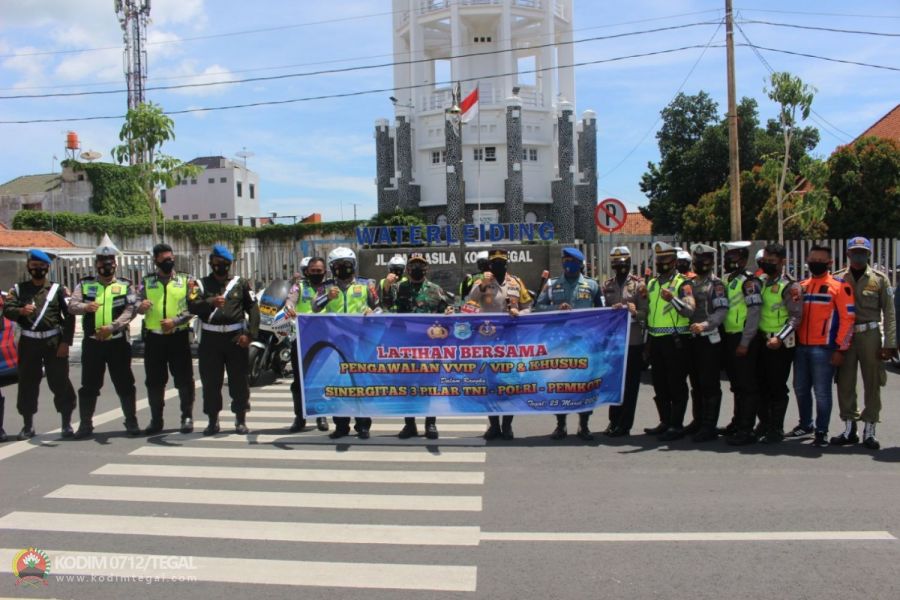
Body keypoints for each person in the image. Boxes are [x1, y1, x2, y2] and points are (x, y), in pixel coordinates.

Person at [67, 234, 141, 439]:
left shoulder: (126, 285)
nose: (105, 266)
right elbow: (72, 306)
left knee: (125, 383)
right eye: (101, 262)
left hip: (117, 342)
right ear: (96, 264)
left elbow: (131, 309)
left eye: (109, 263)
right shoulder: (85, 284)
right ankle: (85, 424)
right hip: (93, 345)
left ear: (115, 264)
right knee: (89, 385)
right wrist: (85, 306)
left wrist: (113, 327)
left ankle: (131, 421)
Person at [3, 249, 76, 440]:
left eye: (42, 266)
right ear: (28, 267)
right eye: (34, 266)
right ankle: (28, 425)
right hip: (29, 342)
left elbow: (69, 317)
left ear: (47, 268)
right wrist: (20, 310)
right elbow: (7, 311)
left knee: (60, 382)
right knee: (27, 383)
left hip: (53, 341)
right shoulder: (18, 289)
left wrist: (65, 342)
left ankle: (66, 423)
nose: (38, 269)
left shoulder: (58, 289)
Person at [534, 247, 605, 441]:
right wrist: (557, 307)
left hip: (584, 343)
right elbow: (537, 308)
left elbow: (602, 312)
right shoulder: (553, 285)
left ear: (580, 264)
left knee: (584, 385)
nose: (567, 264)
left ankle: (584, 425)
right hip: (560, 344)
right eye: (565, 260)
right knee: (561, 384)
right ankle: (561, 425)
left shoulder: (592, 285)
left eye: (571, 261)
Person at [188, 244, 260, 436]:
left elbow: (253, 309)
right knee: (211, 382)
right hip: (210, 339)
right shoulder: (200, 284)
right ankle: (213, 420)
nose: (221, 266)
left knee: (239, 380)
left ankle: (240, 419)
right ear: (211, 263)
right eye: (217, 263)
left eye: (225, 263)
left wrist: (250, 335)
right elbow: (192, 307)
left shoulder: (240, 283)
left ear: (230, 264)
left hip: (236, 338)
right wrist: (210, 302)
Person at [834, 237, 897, 450]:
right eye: (854, 252)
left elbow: (889, 312)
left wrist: (890, 342)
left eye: (862, 252)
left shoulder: (880, 279)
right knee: (845, 381)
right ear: (848, 254)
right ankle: (849, 427)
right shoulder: (839, 278)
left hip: (869, 334)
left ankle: (870, 429)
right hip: (846, 335)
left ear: (869, 254)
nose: (858, 255)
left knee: (873, 381)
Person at [383, 251, 454, 440]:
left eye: (420, 264)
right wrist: (387, 285)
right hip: (406, 347)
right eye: (413, 264)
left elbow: (447, 310)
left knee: (429, 386)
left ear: (426, 268)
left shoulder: (435, 289)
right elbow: (387, 306)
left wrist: (448, 312)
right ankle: (410, 424)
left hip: (429, 347)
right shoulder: (399, 288)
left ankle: (430, 424)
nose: (417, 268)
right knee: (406, 386)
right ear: (407, 268)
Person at [790, 245, 855, 447]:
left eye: (820, 259)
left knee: (822, 392)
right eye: (812, 259)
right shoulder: (801, 286)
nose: (815, 262)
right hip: (800, 347)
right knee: (800, 388)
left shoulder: (840, 286)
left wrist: (840, 349)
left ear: (830, 263)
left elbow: (848, 319)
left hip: (824, 348)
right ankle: (805, 424)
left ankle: (821, 430)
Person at [466, 248, 533, 440]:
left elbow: (528, 305)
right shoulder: (483, 282)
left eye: (500, 263)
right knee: (490, 385)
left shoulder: (516, 282)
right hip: (487, 342)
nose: (497, 266)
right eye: (493, 263)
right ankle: (494, 425)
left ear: (506, 264)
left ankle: (507, 425)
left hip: (510, 343)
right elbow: (469, 301)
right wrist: (482, 285)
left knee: (510, 385)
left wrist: (520, 313)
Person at [315, 246, 381, 439]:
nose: (343, 268)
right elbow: (315, 308)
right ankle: (341, 425)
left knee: (360, 384)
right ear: (332, 267)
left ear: (354, 265)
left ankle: (363, 425)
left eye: (347, 265)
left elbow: (379, 309)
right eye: (338, 265)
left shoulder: (366, 284)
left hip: (360, 342)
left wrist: (372, 313)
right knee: (337, 384)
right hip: (334, 343)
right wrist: (328, 296)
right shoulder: (325, 287)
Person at [137, 243, 196, 435]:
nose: (169, 263)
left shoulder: (185, 280)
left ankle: (186, 417)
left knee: (184, 379)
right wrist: (140, 305)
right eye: (164, 260)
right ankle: (156, 420)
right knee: (154, 381)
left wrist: (176, 321)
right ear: (156, 260)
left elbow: (194, 307)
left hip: (178, 336)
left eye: (171, 259)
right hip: (155, 339)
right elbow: (135, 301)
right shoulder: (147, 282)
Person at [644, 242, 695, 441]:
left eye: (664, 260)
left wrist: (673, 299)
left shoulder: (683, 283)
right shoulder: (652, 284)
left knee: (676, 384)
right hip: (655, 340)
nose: (660, 263)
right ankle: (665, 421)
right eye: (658, 260)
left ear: (674, 261)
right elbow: (648, 313)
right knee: (660, 384)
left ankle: (676, 424)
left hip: (675, 340)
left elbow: (689, 311)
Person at [756, 243, 803, 444]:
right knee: (760, 385)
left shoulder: (791, 286)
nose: (767, 264)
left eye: (772, 262)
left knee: (776, 387)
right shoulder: (761, 281)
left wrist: (780, 338)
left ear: (782, 262)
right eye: (765, 260)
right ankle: (764, 423)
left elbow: (795, 317)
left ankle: (775, 428)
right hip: (761, 339)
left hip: (780, 343)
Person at [719, 241, 763, 445]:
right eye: (727, 257)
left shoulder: (749, 282)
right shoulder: (729, 280)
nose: (728, 261)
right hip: (729, 336)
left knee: (747, 386)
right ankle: (737, 422)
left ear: (744, 260)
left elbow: (754, 312)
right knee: (736, 384)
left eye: (733, 258)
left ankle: (747, 428)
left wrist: (745, 341)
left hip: (743, 337)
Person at [600, 247, 648, 438]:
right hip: (614, 343)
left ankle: (625, 424)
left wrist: (633, 311)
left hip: (633, 341)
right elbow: (601, 312)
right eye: (617, 263)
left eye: (623, 263)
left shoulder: (639, 285)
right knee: (614, 383)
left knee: (630, 385)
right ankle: (613, 421)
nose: (620, 266)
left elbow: (646, 313)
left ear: (629, 263)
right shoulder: (607, 285)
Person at [684, 244, 729, 442]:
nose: (700, 263)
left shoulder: (717, 285)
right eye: (697, 259)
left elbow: (721, 312)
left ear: (711, 262)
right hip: (692, 340)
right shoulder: (690, 284)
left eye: (705, 260)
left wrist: (705, 325)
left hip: (709, 339)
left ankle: (709, 425)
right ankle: (698, 420)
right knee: (695, 383)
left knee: (709, 383)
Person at [284, 256, 330, 433]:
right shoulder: (299, 286)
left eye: (319, 271)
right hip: (301, 339)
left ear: (325, 272)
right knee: (299, 380)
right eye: (313, 271)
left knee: (320, 378)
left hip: (323, 340)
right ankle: (300, 417)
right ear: (307, 272)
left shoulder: (330, 288)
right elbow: (289, 302)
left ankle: (321, 415)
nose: (316, 274)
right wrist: (290, 309)